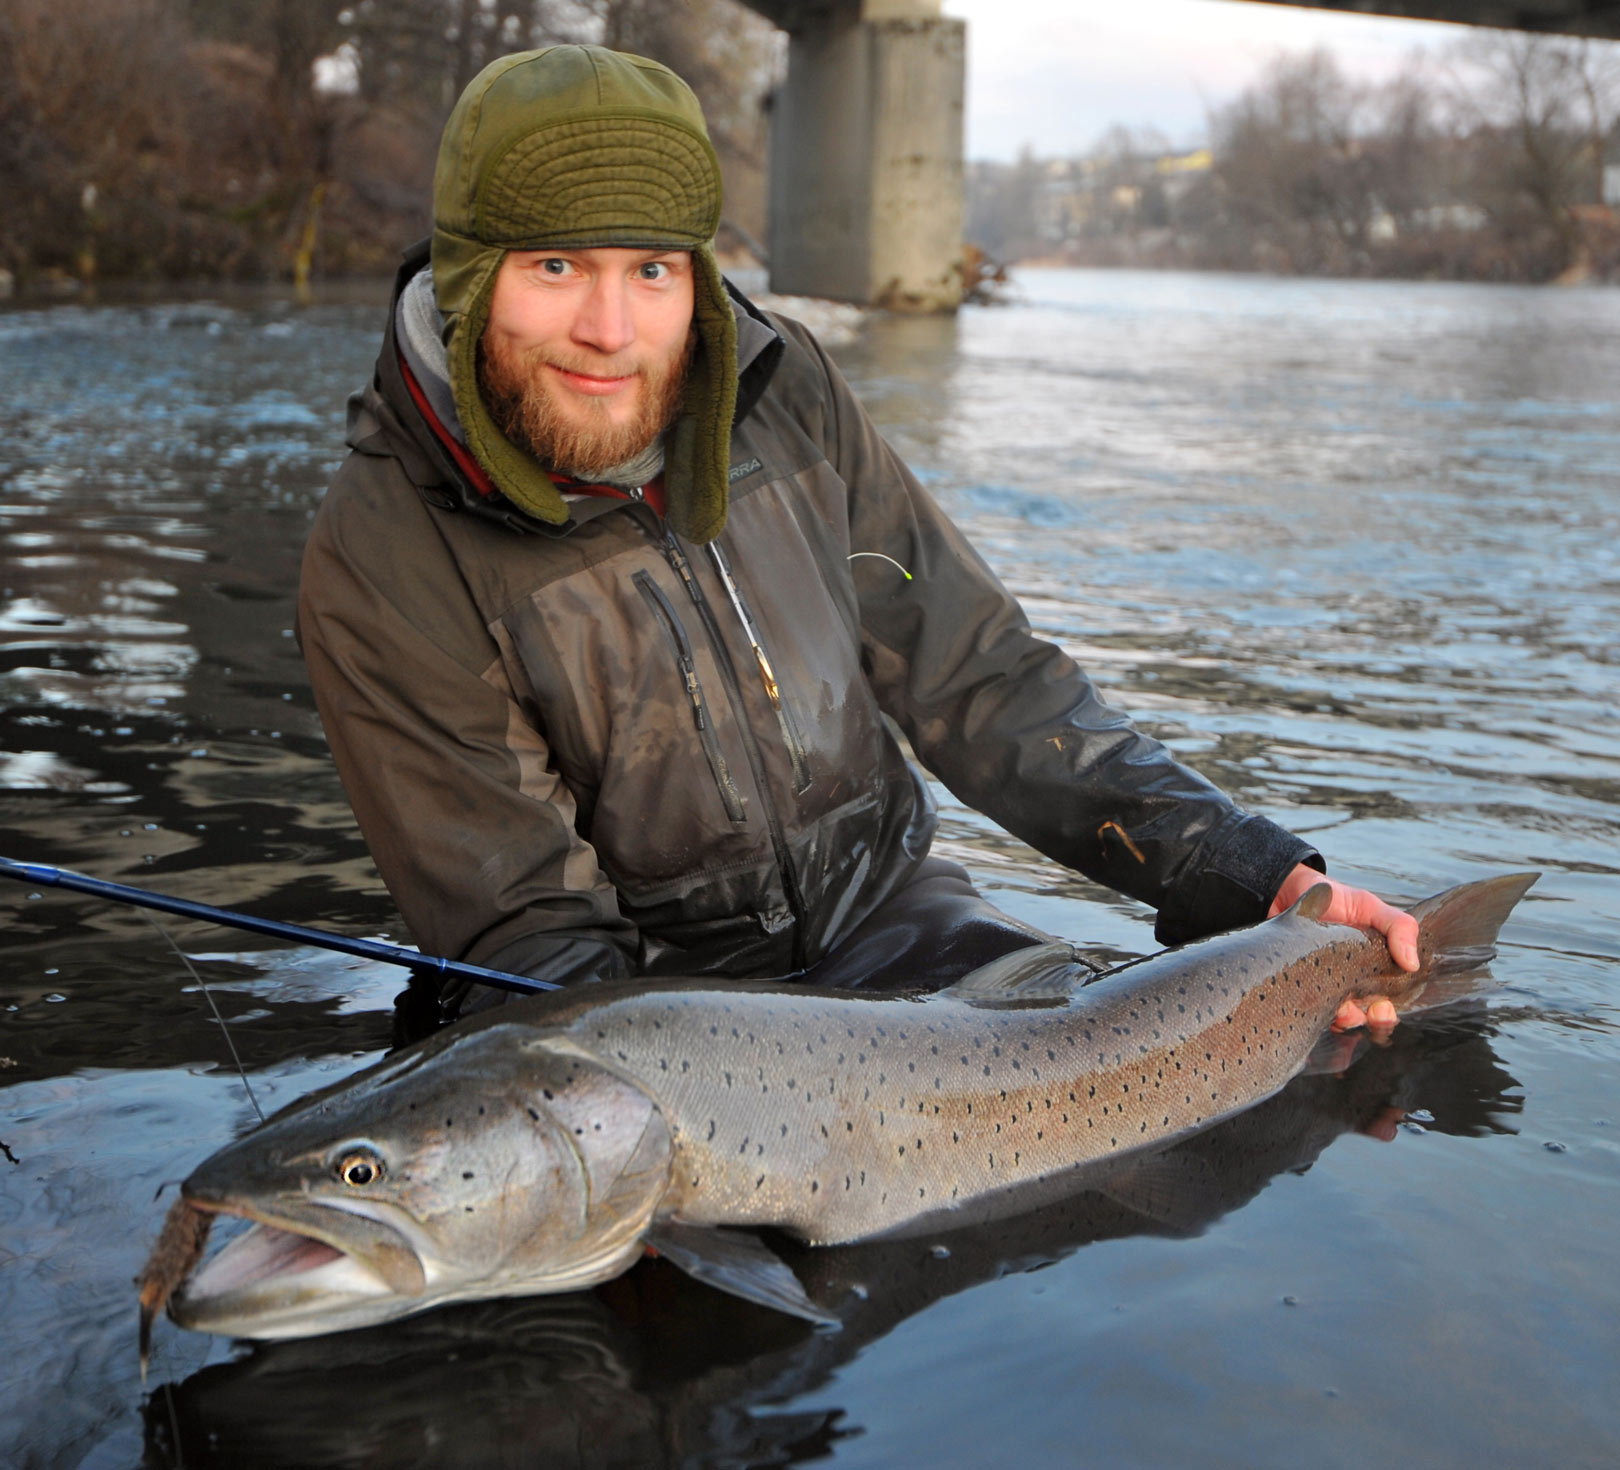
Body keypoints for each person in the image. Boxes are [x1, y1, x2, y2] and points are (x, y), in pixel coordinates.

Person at [297, 45, 1416, 1036]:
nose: (611, 330)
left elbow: (979, 674)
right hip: (647, 1005)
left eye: (652, 269)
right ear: (469, 277)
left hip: (907, 926)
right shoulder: (383, 549)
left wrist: (1248, 875)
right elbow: (528, 934)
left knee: (1298, 1084)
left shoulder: (787, 397)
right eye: (556, 267)